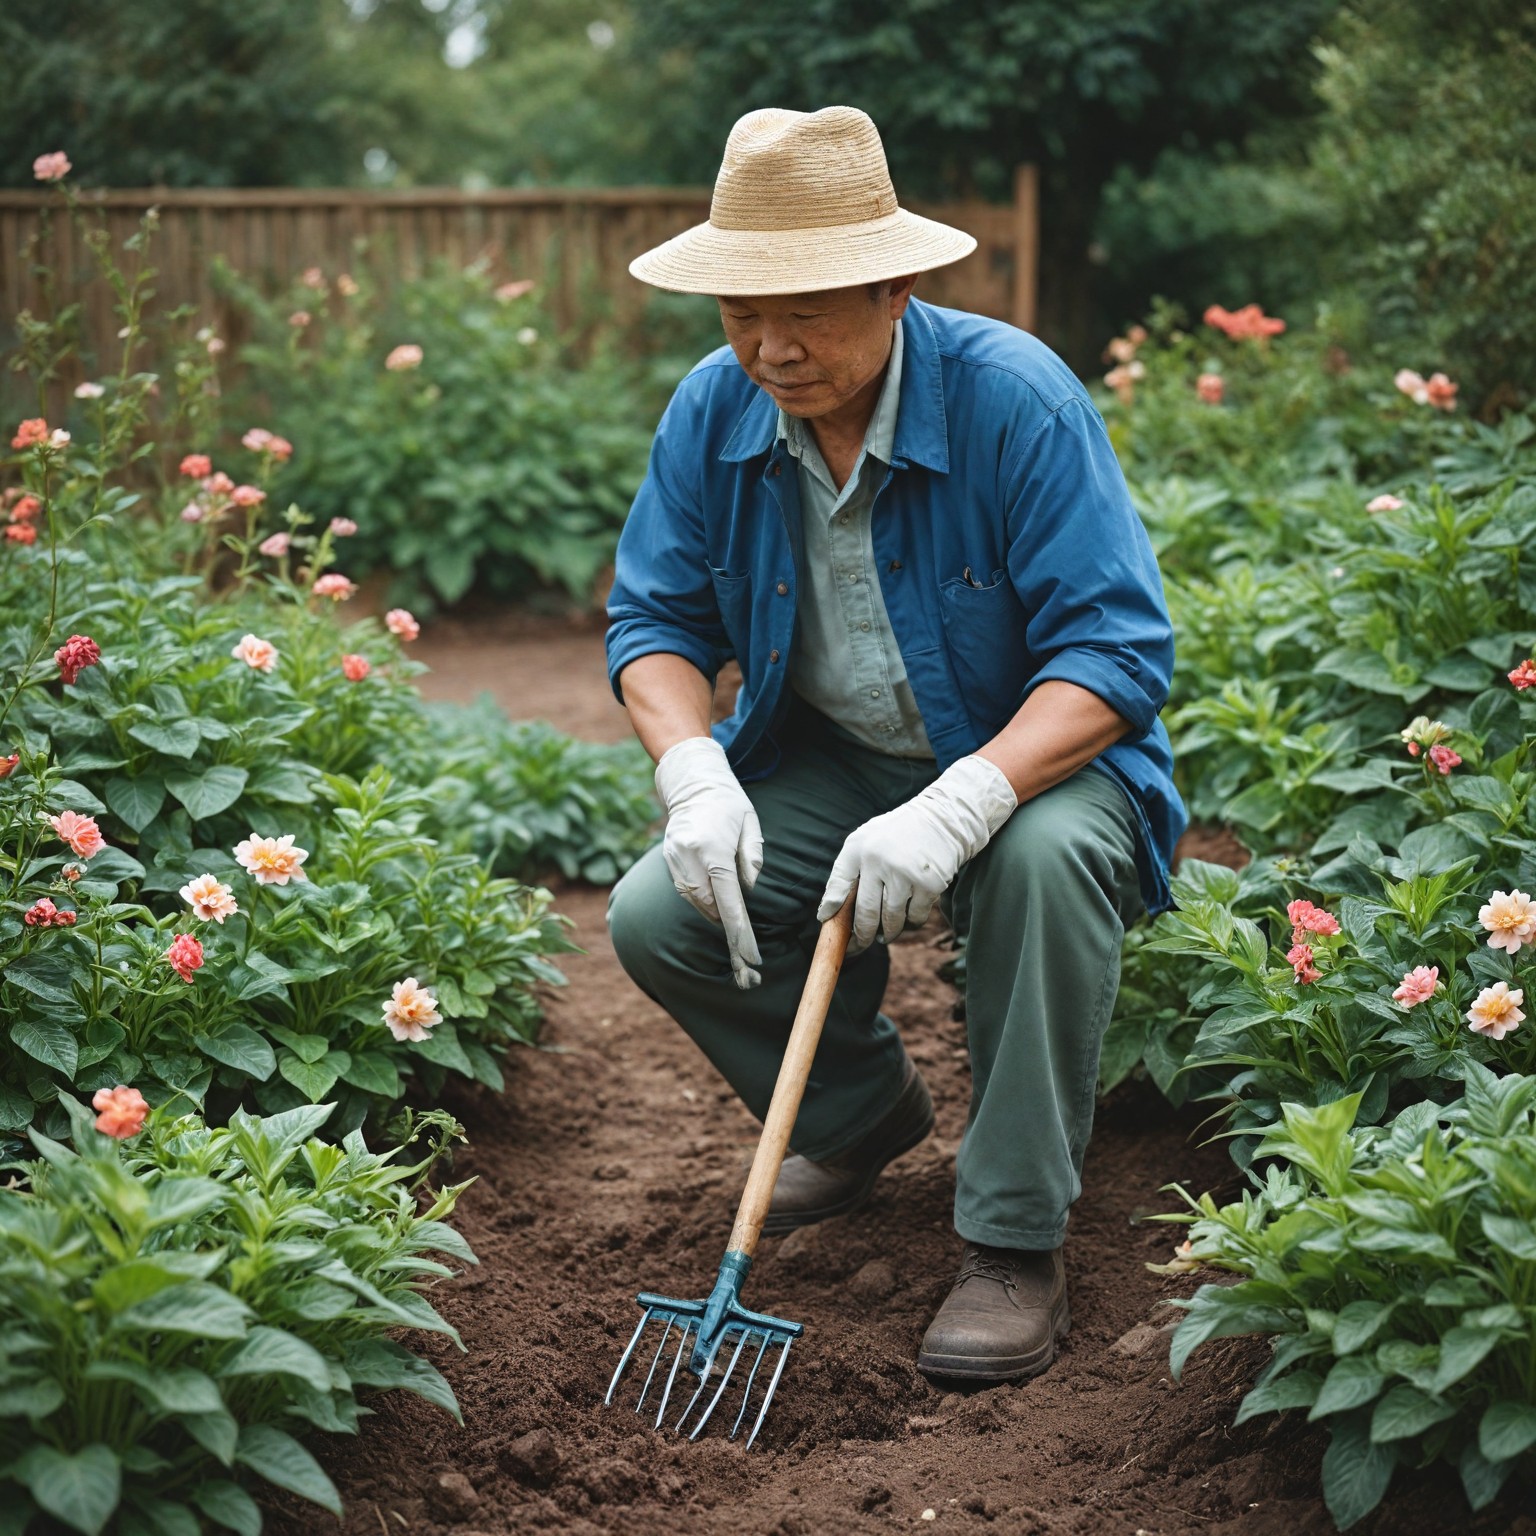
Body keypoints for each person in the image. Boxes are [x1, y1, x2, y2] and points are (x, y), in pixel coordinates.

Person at [604, 104, 1185, 1384]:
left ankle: (1015, 1240)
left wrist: (966, 801)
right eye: (740, 312)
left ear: (896, 283)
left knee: (1035, 868)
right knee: (659, 914)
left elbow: (1117, 654)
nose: (770, 346)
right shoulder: (714, 412)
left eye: (803, 307)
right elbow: (653, 617)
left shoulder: (1013, 400)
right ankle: (861, 1116)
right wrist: (691, 767)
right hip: (840, 757)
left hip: (1034, 764)